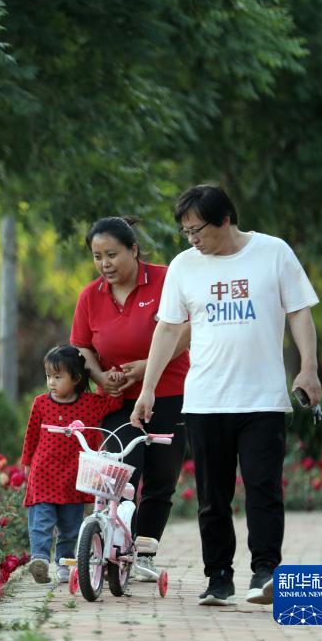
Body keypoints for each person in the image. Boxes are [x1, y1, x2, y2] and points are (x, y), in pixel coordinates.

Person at [131, 185, 321, 607]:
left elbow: (299, 310)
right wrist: (147, 389)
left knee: (263, 488)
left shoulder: (273, 252)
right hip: (204, 401)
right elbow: (167, 329)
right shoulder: (184, 266)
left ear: (225, 220)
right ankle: (218, 577)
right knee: (211, 497)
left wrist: (308, 367)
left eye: (197, 229)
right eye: (185, 232)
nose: (192, 239)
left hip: (262, 400)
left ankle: (265, 573)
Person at [71, 217, 191, 582]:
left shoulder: (167, 278)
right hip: (118, 402)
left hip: (170, 394)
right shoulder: (91, 296)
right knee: (120, 472)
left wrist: (147, 368)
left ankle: (145, 551)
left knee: (160, 478)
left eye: (112, 254)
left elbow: (187, 328)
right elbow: (81, 345)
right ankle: (112, 544)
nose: (104, 264)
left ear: (134, 250)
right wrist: (98, 375)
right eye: (97, 256)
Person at [21, 345, 123, 584]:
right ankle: (40, 559)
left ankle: (65, 564)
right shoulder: (41, 403)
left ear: (77, 378)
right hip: (43, 473)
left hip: (74, 476)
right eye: (48, 377)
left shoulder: (90, 404)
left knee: (71, 527)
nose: (52, 382)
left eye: (58, 377)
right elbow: (31, 435)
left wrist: (113, 377)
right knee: (41, 521)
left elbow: (114, 403)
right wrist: (26, 462)